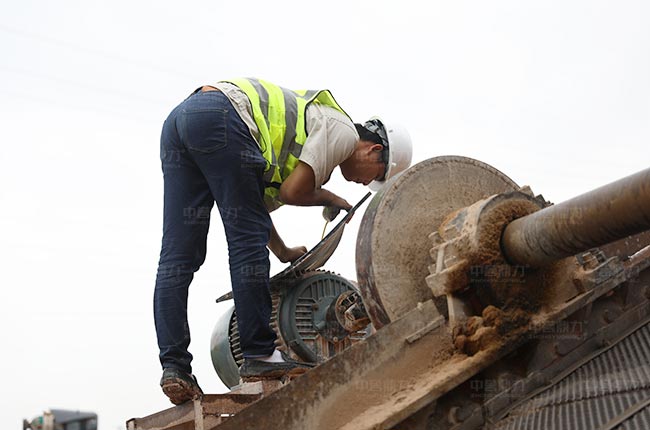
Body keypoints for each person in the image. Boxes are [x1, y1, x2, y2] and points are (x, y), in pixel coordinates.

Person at [154, 78, 412, 405]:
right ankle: (260, 354)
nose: (366, 183)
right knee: (246, 244)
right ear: (374, 150)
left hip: (181, 123)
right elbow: (292, 192)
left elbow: (256, 209)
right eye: (377, 174)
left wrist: (283, 251)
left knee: (178, 258)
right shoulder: (344, 132)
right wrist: (331, 198)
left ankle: (175, 367)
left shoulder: (295, 147)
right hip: (222, 116)